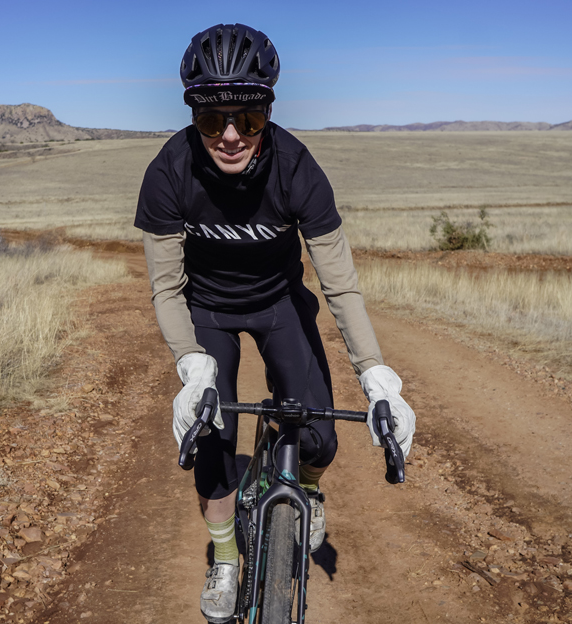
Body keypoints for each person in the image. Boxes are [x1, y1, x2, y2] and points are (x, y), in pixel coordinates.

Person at [134, 23, 416, 624]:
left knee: (320, 434)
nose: (231, 136)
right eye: (213, 121)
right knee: (214, 439)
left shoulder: (298, 169)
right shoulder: (167, 173)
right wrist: (191, 365)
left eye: (249, 119)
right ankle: (227, 558)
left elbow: (339, 284)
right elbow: (166, 287)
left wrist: (377, 376)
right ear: (193, 117)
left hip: (281, 300)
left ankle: (306, 489)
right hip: (206, 311)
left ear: (267, 111)